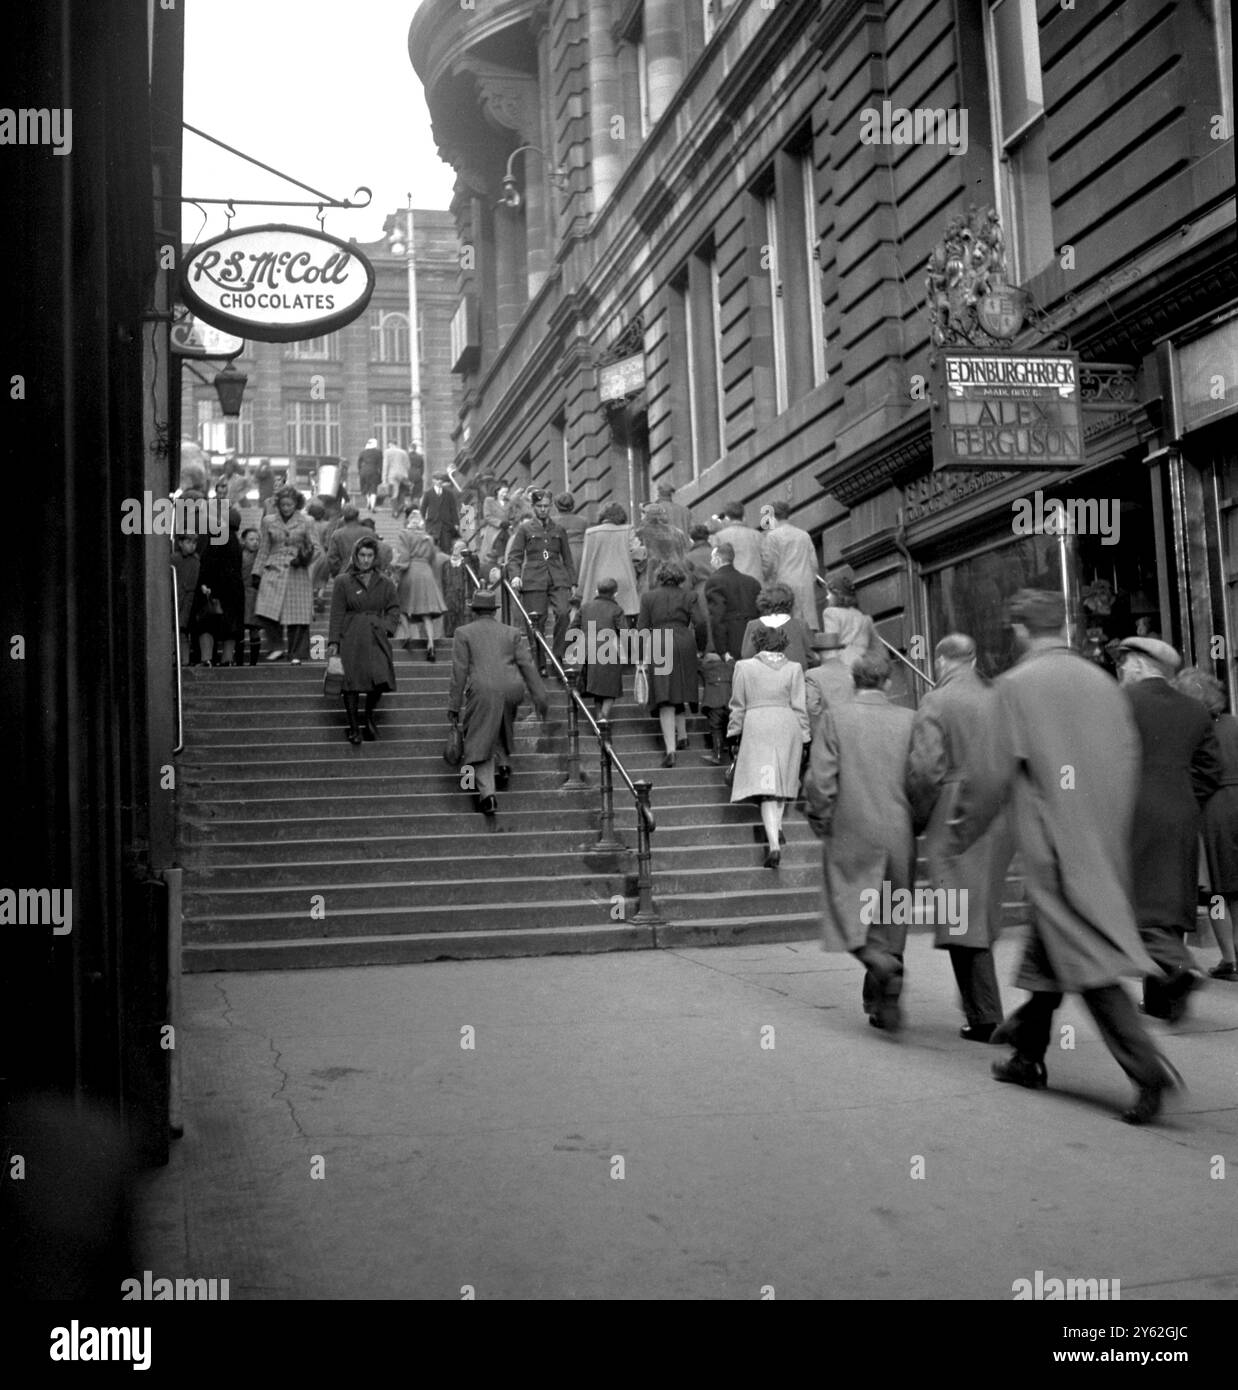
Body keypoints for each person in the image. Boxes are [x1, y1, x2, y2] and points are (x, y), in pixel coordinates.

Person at [947, 589, 1176, 1125]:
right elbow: (1126, 758)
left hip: (1055, 848)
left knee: (1088, 964)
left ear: (1022, 630)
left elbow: (986, 777)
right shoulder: (1101, 681)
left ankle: (1147, 1070)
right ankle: (1026, 1055)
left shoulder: (1015, 686)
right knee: (1051, 957)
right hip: (1100, 838)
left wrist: (960, 832)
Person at [906, 633, 1015, 1042]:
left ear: (940, 661)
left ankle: (986, 1013)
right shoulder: (998, 697)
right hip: (998, 810)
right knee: (975, 910)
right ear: (972, 659)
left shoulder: (936, 701)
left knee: (957, 912)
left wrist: (918, 817)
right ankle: (981, 1010)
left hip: (953, 806)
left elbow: (925, 769)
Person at [803, 650, 917, 1032]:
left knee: (847, 911)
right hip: (899, 829)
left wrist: (819, 817)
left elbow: (820, 780)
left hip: (851, 828)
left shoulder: (837, 718)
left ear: (855, 681)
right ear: (888, 682)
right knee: (893, 911)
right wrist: (917, 817)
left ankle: (880, 965)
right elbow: (925, 775)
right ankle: (884, 1000)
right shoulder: (910, 720)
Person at [1116, 635, 1221, 1023]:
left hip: (1134, 812)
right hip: (1180, 814)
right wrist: (1182, 796)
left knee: (1140, 904)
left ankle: (1179, 969)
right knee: (1170, 903)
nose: (1122, 669)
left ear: (1142, 665)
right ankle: (1163, 1000)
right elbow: (1211, 769)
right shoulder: (1194, 710)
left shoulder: (1121, 702)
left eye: (1125, 662)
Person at [448, 589, 548, 815]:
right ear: (493, 611)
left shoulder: (463, 633)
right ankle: (503, 765)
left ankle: (486, 794)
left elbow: (459, 671)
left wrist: (454, 705)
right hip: (512, 688)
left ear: (474, 611)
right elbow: (527, 665)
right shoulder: (511, 632)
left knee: (478, 738)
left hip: (483, 689)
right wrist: (541, 697)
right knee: (501, 722)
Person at [1174, 666, 1238, 980]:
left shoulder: (1193, 731)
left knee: (1216, 891)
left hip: (1213, 809)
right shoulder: (1235, 724)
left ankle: (1230, 957)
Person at [728, 624, 811, 867]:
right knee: (782, 782)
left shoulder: (743, 667)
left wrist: (734, 733)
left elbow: (738, 705)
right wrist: (805, 736)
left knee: (766, 786)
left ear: (758, 642)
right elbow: (799, 706)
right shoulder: (795, 669)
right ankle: (779, 826)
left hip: (758, 727)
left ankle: (773, 844)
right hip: (787, 725)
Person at [327, 534, 400, 746]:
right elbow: (337, 612)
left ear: (375, 557)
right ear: (355, 556)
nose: (366, 559)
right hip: (351, 635)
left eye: (369, 555)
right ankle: (353, 727)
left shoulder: (385, 582)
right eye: (362, 555)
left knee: (379, 678)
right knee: (350, 683)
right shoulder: (343, 581)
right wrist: (333, 641)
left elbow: (394, 608)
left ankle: (368, 717)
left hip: (376, 634)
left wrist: (386, 627)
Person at [637, 560, 707, 766]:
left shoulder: (649, 597)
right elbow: (701, 623)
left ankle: (671, 750)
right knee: (680, 688)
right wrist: (701, 647)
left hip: (660, 642)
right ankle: (683, 735)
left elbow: (642, 628)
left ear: (659, 577)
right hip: (685, 641)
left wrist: (640, 657)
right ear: (679, 578)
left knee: (665, 695)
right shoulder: (689, 596)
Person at [507, 489, 577, 672]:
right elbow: (514, 557)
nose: (543, 510)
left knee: (563, 613)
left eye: (546, 506)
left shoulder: (559, 530)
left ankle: (558, 655)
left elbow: (567, 558)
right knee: (537, 621)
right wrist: (515, 576)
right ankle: (540, 663)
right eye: (539, 506)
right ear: (533, 507)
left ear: (551, 507)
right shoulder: (525, 529)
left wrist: (573, 582)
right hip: (533, 579)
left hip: (557, 576)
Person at [252, 485, 321, 664]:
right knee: (265, 610)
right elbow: (264, 548)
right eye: (283, 504)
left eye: (290, 505)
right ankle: (276, 646)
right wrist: (257, 572)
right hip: (273, 569)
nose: (286, 508)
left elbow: (317, 547)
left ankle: (296, 653)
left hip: (297, 571)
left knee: (297, 615)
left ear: (296, 504)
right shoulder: (268, 521)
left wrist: (304, 560)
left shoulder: (307, 521)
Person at [192, 506, 245, 667]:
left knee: (206, 623)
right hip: (234, 589)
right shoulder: (236, 541)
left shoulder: (218, 536)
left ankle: (206, 658)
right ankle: (227, 659)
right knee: (231, 626)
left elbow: (209, 563)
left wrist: (204, 584)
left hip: (215, 588)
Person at [392, 508, 447, 662]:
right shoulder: (428, 538)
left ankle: (408, 634)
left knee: (401, 605)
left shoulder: (404, 534)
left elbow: (403, 557)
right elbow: (432, 557)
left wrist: (397, 569)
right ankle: (430, 643)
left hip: (411, 571)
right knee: (425, 612)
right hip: (426, 571)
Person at [760, 500, 820, 631]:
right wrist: (811, 580)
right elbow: (814, 564)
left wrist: (767, 583)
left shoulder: (772, 536)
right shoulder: (804, 535)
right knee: (808, 627)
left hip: (784, 587)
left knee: (788, 629)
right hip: (805, 584)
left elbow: (769, 564)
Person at [577, 503, 640, 622]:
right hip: (624, 584)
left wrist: (580, 591)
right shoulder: (627, 530)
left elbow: (585, 564)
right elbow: (638, 553)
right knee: (625, 623)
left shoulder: (591, 533)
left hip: (597, 585)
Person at [576, 577, 625, 721]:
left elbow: (572, 629)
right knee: (610, 690)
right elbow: (625, 633)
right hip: (610, 652)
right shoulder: (617, 610)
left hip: (589, 651)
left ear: (596, 591)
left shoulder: (585, 607)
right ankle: (603, 718)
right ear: (615, 594)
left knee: (597, 689)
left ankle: (599, 717)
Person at [740, 583, 817, 669]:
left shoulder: (753, 625)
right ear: (790, 603)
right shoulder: (800, 625)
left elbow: (747, 656)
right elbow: (811, 658)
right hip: (795, 677)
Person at [705, 542, 761, 660]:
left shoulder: (714, 581)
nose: (710, 562)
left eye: (712, 559)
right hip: (754, 642)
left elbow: (717, 618)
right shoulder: (752, 582)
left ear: (717, 560)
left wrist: (722, 650)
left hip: (731, 643)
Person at [820, 572, 878, 669]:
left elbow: (830, 648)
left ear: (838, 595)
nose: (827, 597)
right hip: (863, 668)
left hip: (843, 666)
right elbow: (875, 647)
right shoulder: (865, 618)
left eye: (830, 594)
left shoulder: (830, 613)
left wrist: (830, 670)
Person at [631, 503, 689, 597]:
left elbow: (636, 562)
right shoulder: (677, 533)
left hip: (650, 582)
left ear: (646, 515)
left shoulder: (640, 534)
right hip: (677, 580)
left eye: (642, 513)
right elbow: (684, 556)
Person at [803, 624, 852, 732]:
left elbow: (812, 707)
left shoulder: (812, 675)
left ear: (817, 655)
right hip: (853, 726)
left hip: (829, 729)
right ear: (839, 652)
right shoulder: (852, 671)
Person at [709, 500, 763, 582]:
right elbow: (767, 560)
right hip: (755, 580)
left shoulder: (719, 537)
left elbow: (715, 562)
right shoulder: (757, 535)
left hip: (730, 583)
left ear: (727, 517)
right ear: (743, 515)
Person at [699, 647, 734, 766]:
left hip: (714, 704)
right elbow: (732, 662)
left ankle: (717, 755)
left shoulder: (705, 668)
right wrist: (728, 657)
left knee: (716, 728)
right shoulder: (728, 666)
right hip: (729, 703)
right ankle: (733, 755)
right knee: (731, 729)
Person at [171, 533, 200, 667]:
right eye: (188, 542)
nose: (192, 546)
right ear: (180, 543)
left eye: (194, 543)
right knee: (177, 629)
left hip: (190, 599)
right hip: (177, 597)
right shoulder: (174, 559)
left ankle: (185, 658)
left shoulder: (196, 560)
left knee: (184, 630)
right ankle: (178, 657)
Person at [421, 470, 461, 553]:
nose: (439, 481)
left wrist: (456, 523)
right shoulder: (428, 493)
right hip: (433, 524)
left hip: (445, 525)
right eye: (437, 479)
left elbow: (453, 509)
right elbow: (423, 508)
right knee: (432, 548)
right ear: (433, 480)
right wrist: (422, 521)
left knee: (446, 547)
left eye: (441, 480)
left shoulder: (449, 494)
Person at [239, 527, 262, 666]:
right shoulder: (239, 555)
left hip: (255, 595)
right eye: (251, 539)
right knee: (240, 629)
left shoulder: (260, 557)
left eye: (257, 539)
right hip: (241, 595)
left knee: (254, 628)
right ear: (243, 540)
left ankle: (253, 662)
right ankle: (240, 660)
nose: (255, 542)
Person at [326, 505, 368, 579]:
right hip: (366, 573)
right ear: (357, 516)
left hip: (345, 572)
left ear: (343, 518)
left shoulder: (337, 534)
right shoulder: (369, 532)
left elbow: (332, 557)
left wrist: (336, 573)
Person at [554, 493, 590, 576]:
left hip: (560, 554)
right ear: (573, 505)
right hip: (580, 554)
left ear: (556, 506)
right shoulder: (583, 521)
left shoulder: (552, 522)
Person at [477, 483, 511, 570]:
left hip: (507, 530)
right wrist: (499, 523)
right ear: (497, 491)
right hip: (494, 531)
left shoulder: (509, 502)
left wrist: (509, 523)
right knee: (495, 550)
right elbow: (487, 516)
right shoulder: (489, 501)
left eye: (506, 492)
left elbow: (513, 515)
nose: (504, 494)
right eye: (503, 492)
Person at [383, 441, 412, 517]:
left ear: (390, 444)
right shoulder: (403, 452)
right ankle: (401, 505)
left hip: (392, 474)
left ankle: (395, 511)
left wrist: (384, 478)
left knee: (394, 492)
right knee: (402, 491)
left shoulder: (387, 452)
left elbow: (385, 465)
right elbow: (408, 465)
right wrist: (405, 473)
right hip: (403, 474)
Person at [357, 438, 383, 511]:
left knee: (365, 488)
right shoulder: (378, 452)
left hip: (363, 471)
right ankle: (372, 505)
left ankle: (368, 501)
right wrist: (381, 473)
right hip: (373, 471)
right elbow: (380, 464)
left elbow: (359, 463)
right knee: (373, 488)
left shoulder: (363, 452)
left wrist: (360, 471)